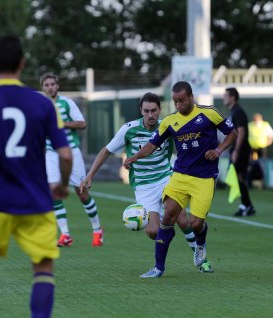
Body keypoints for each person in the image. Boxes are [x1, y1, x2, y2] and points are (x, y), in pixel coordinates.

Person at [0, 35, 72, 318]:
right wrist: (60, 185)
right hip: (36, 201)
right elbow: (66, 154)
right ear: (23, 64)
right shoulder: (44, 103)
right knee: (43, 268)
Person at [80, 92, 212, 273]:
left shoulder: (168, 125)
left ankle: (201, 258)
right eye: (146, 111)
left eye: (154, 111)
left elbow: (190, 139)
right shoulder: (129, 129)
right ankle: (167, 233)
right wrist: (89, 175)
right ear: (141, 111)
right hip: (143, 186)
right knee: (152, 231)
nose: (150, 115)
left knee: (183, 220)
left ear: (159, 110)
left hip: (167, 178)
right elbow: (106, 150)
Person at [124, 81, 237, 278]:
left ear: (191, 97)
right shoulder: (169, 121)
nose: (178, 105)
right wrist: (135, 157)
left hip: (204, 177)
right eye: (175, 102)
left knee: (195, 224)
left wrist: (218, 150)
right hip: (180, 176)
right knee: (167, 217)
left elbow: (232, 133)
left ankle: (200, 245)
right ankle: (158, 268)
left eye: (181, 101)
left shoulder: (209, 113)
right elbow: (152, 145)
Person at [40, 72, 103, 247]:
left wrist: (64, 124)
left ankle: (97, 229)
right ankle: (65, 235)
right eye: (47, 85)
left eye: (53, 84)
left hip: (71, 152)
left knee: (82, 193)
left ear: (57, 86)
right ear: (43, 88)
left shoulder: (67, 103)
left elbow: (82, 123)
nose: (50, 87)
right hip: (52, 154)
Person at [224, 87, 256, 216]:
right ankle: (246, 205)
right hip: (237, 149)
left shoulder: (238, 112)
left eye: (226, 95)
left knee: (239, 176)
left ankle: (246, 205)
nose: (224, 98)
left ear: (232, 97)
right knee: (238, 177)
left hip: (241, 149)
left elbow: (241, 132)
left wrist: (236, 150)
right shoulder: (234, 112)